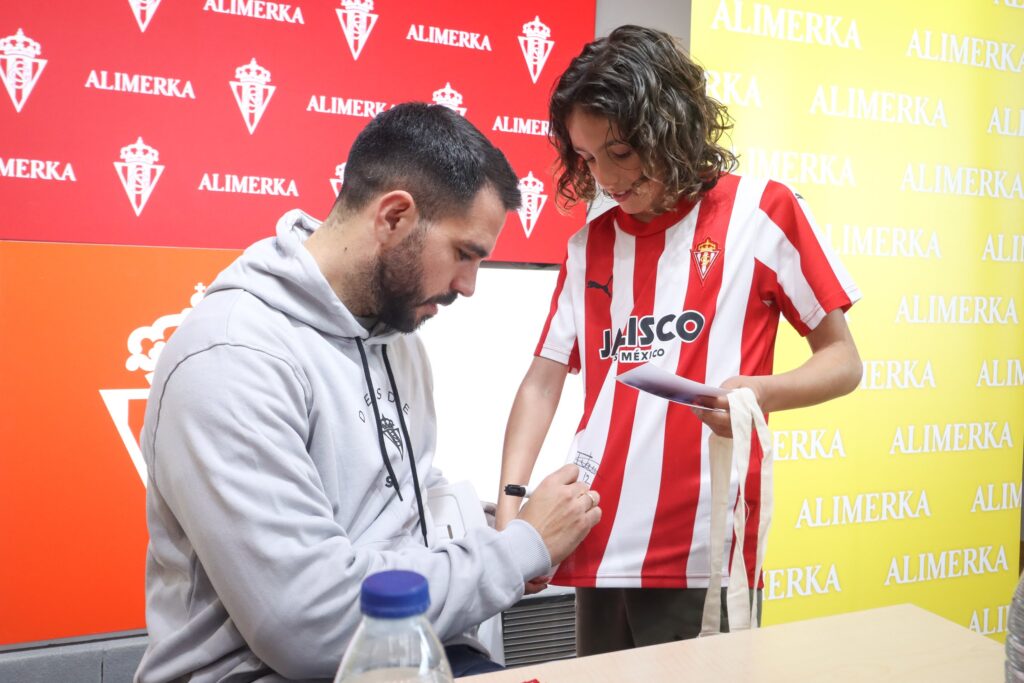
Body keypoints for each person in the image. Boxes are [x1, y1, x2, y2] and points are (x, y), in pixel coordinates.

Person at [135, 102, 602, 683]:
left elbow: (405, 506)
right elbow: (308, 624)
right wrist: (519, 549)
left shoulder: (394, 333)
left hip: (412, 656)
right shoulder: (232, 358)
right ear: (395, 218)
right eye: (464, 253)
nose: (469, 286)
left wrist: (499, 527)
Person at [495, 25, 863, 655]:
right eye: (586, 158)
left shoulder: (761, 212)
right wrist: (511, 505)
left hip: (700, 550)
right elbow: (543, 379)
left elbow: (844, 362)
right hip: (593, 533)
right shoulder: (591, 245)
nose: (605, 176)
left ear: (669, 125)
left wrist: (760, 393)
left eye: (620, 151)